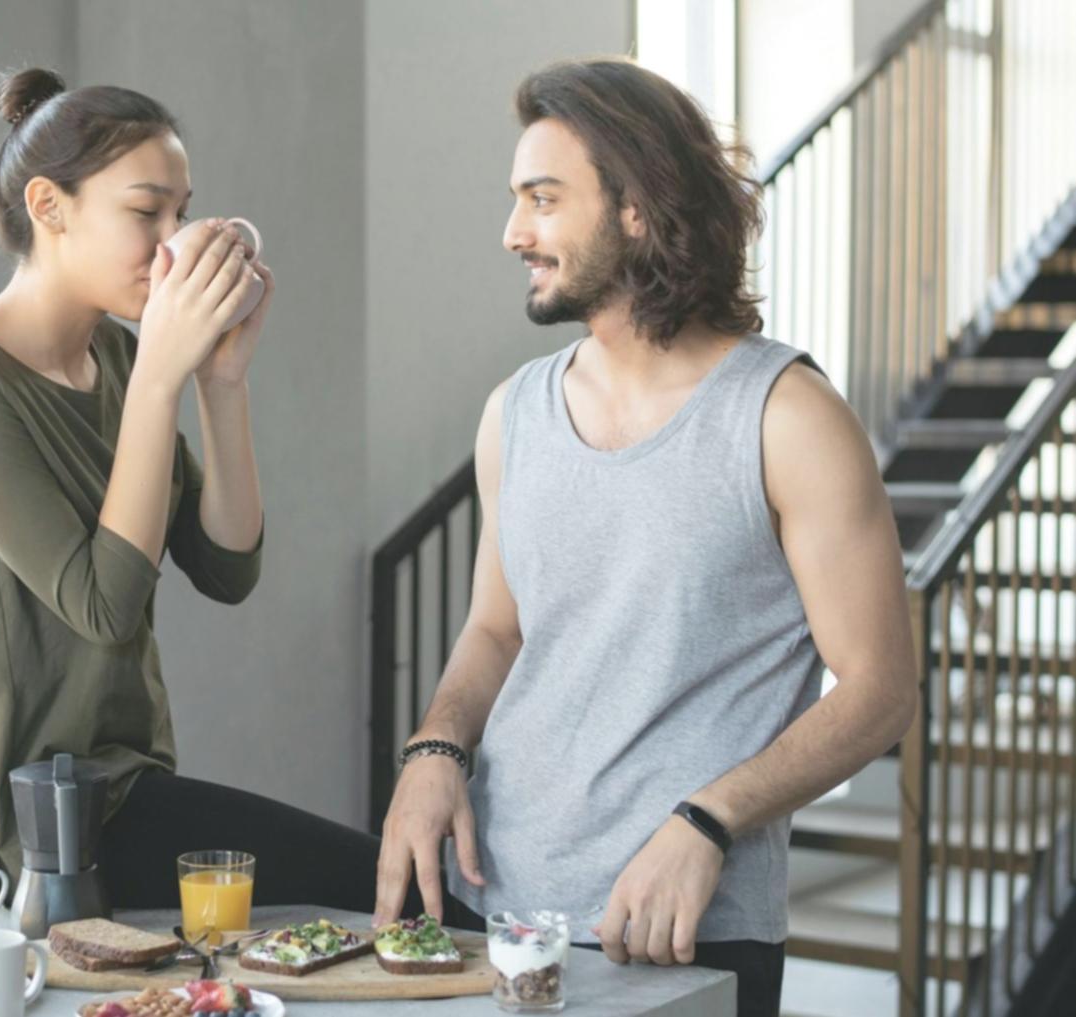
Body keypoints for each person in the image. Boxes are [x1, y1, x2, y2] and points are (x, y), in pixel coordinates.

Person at [373, 58, 919, 1016]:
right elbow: (495, 631)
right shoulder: (514, 413)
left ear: (636, 209)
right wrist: (434, 748)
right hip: (489, 914)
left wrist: (708, 820)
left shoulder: (786, 416)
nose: (513, 233)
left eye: (543, 199)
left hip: (686, 927)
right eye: (516, 200)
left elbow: (878, 689)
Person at [0, 67, 417, 918]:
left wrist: (220, 384)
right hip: (42, 826)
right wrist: (162, 376)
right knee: (392, 888)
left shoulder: (123, 361)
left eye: (181, 211)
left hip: (133, 787)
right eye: (146, 213)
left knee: (387, 904)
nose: (173, 242)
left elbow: (226, 566)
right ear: (49, 206)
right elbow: (103, 602)